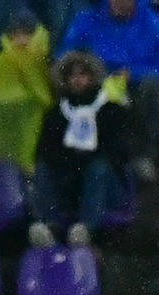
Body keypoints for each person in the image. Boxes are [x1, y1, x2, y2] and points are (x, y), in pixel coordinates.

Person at [57, 0, 159, 179]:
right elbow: (64, 53)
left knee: (154, 87)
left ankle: (141, 155)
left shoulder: (157, 26)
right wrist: (91, 69)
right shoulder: (87, 19)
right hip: (97, 83)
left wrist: (133, 73)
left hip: (137, 88)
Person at [28, 51, 132, 248]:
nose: (77, 80)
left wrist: (83, 159)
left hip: (106, 187)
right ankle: (49, 226)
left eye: (82, 75)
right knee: (43, 168)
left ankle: (86, 228)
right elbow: (46, 151)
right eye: (72, 76)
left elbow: (118, 153)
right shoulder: (56, 114)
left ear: (93, 77)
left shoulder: (111, 111)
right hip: (70, 184)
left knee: (98, 167)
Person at [0, 9, 53, 174]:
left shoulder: (46, 63)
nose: (21, 40)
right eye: (16, 35)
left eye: (27, 34)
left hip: (30, 130)